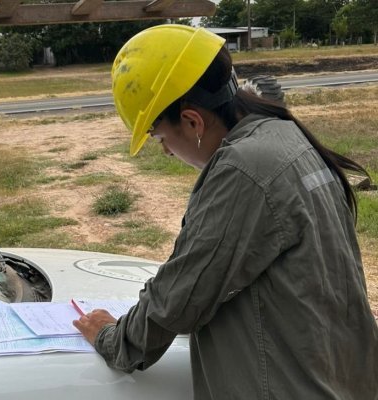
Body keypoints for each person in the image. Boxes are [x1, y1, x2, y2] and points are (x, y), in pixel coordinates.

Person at [73, 24, 378, 399]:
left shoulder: (243, 170)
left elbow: (178, 298)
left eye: (159, 138)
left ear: (192, 121)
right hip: (339, 377)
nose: (167, 151)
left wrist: (109, 336)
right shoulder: (282, 135)